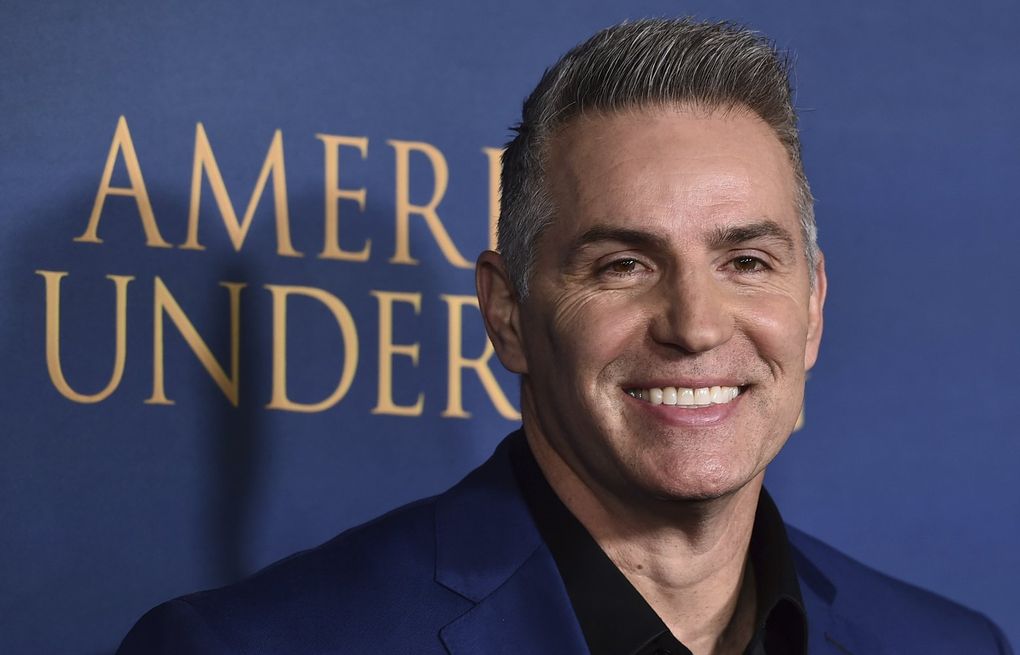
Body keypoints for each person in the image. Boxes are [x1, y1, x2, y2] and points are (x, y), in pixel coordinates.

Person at [118, 18, 1013, 655]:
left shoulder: (948, 642)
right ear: (508, 312)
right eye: (624, 264)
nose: (696, 326)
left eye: (746, 260)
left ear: (812, 306)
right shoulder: (246, 645)